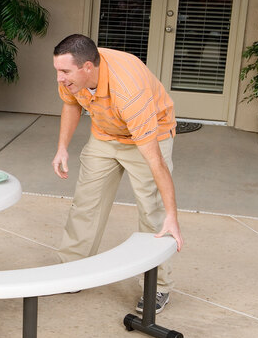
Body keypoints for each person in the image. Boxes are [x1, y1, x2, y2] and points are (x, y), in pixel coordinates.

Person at [51, 34, 183, 314]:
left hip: (149, 137)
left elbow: (156, 163)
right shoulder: (74, 76)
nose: (60, 78)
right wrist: (62, 148)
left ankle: (157, 287)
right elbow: (72, 103)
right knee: (86, 203)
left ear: (88, 67)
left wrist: (172, 214)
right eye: (58, 71)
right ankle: (71, 269)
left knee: (152, 212)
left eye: (65, 72)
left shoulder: (128, 91)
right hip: (105, 134)